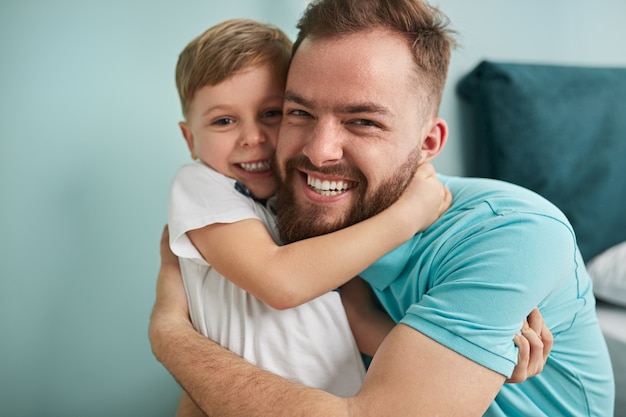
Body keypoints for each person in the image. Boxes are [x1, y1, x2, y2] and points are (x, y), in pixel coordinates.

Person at [151, 0, 615, 415]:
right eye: (299, 112)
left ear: (427, 142)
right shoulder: (299, 217)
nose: (319, 151)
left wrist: (171, 338)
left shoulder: (513, 234)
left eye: (363, 121)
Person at [168, 18, 451, 415]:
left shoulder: (299, 204)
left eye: (271, 114)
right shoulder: (201, 187)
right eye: (224, 121)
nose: (253, 137)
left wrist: (469, 354)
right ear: (189, 138)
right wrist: (408, 215)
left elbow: (357, 318)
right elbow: (279, 283)